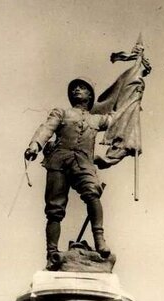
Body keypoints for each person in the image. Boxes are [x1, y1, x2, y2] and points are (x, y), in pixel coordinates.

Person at [24, 78, 112, 262]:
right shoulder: (62, 112)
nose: (76, 90)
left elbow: (119, 120)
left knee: (92, 193)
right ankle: (51, 253)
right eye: (74, 88)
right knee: (54, 208)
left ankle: (100, 240)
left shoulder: (98, 119)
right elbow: (46, 128)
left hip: (83, 161)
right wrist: (35, 145)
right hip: (59, 160)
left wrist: (134, 91)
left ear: (90, 95)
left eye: (82, 88)